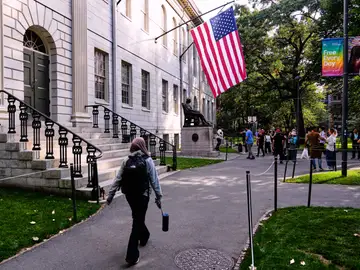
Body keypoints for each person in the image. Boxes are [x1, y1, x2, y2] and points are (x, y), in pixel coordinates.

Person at [106, 137, 163, 265]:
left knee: (137, 217)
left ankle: (144, 236)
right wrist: (159, 196)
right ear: (143, 146)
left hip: (130, 196)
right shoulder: (148, 160)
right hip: (143, 195)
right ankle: (132, 255)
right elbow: (154, 180)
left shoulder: (126, 160)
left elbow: (118, 178)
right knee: (137, 220)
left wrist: (111, 194)